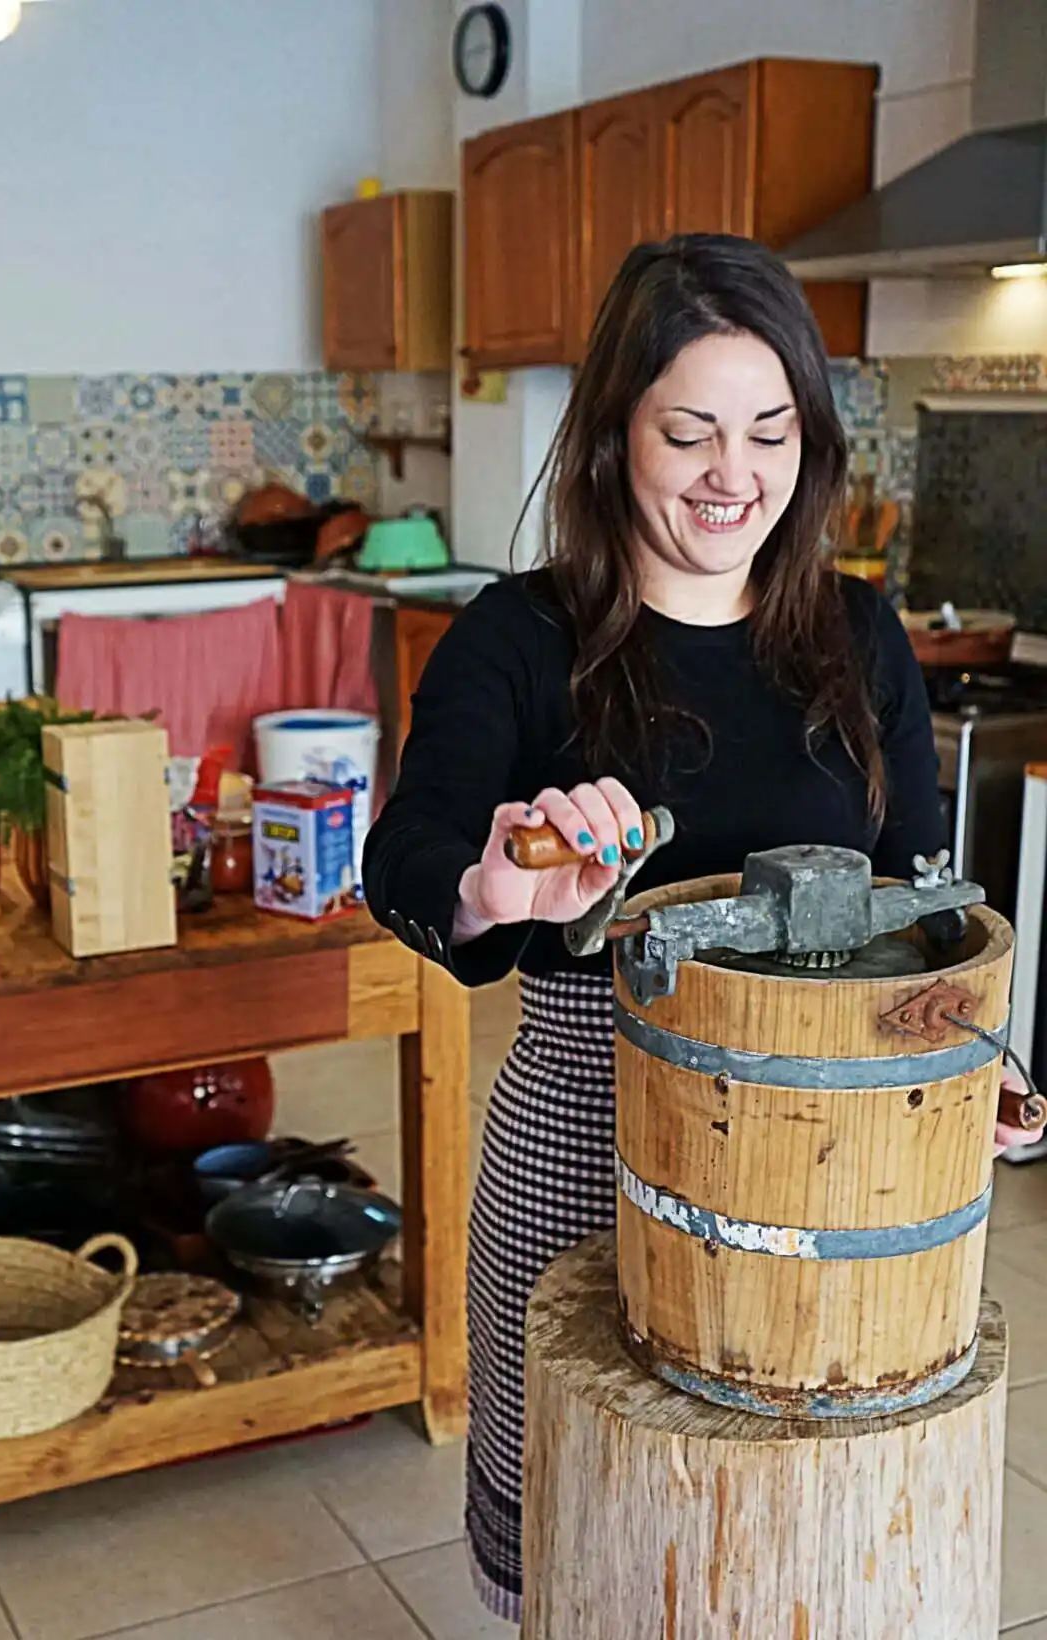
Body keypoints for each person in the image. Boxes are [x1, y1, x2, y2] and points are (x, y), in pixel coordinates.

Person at [361, 232, 1044, 1625]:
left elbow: (928, 890)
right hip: (584, 1135)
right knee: (598, 1531)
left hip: (834, 1160)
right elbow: (404, 863)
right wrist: (498, 885)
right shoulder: (521, 637)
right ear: (616, 437)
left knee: (789, 1546)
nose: (735, 471)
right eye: (691, 431)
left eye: (771, 430)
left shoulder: (857, 638)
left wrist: (966, 1064)